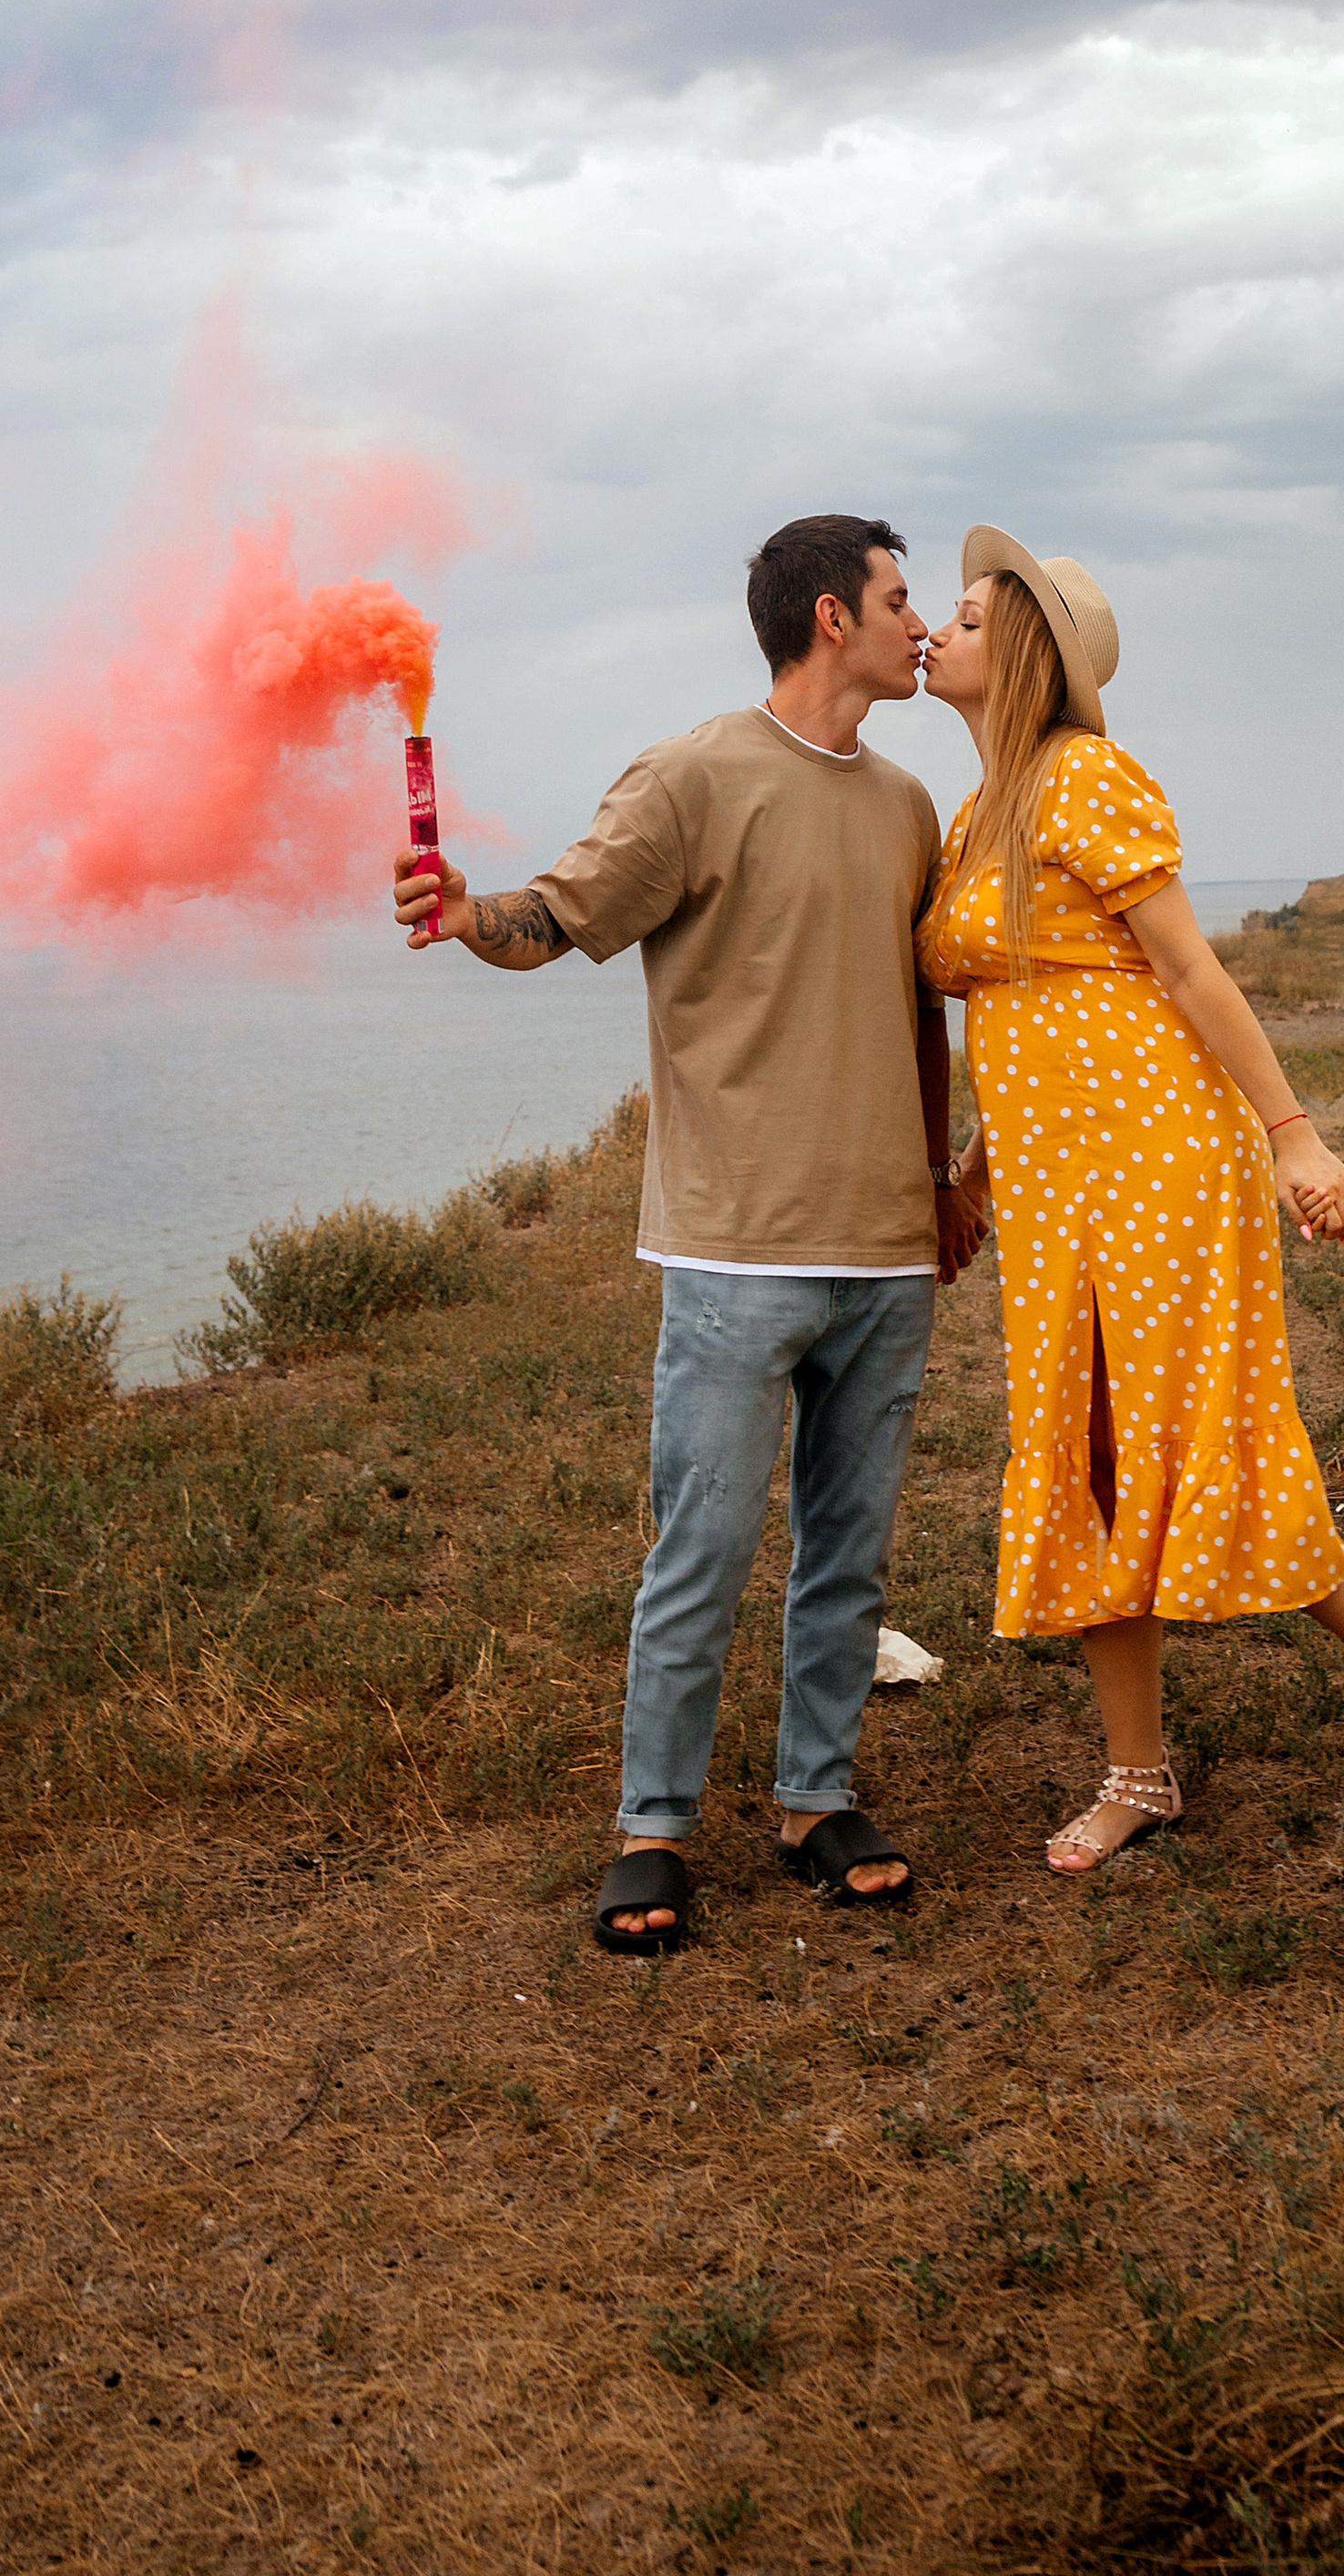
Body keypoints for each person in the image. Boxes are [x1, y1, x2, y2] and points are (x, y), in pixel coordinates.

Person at [393, 514, 988, 1956]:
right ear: (831, 615)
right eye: (904, 602)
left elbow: (920, 1012)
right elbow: (558, 911)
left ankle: (813, 1799)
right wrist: (470, 913)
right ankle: (654, 1827)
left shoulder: (909, 805)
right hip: (734, 1251)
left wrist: (947, 1176)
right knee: (703, 1551)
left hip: (887, 1249)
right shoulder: (692, 774)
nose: (924, 627)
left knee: (849, 1555)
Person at [914, 528, 1344, 1872]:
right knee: (1085, 1454)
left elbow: (1190, 977)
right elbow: (1019, 1010)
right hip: (1055, 1187)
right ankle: (1139, 1772)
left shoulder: (1087, 777)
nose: (939, 630)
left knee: (1196, 1437)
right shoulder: (980, 811)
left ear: (1028, 653)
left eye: (972, 619)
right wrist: (975, 1178)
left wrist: (1294, 1137)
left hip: (1161, 1163)